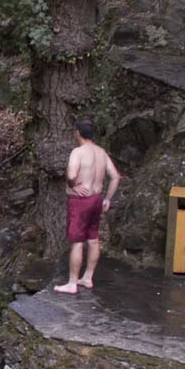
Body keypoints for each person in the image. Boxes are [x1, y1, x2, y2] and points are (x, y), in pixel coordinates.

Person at [55, 117, 120, 294]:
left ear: (78, 132)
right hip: (97, 199)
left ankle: (72, 283)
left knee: (77, 242)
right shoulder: (101, 152)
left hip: (80, 202)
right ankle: (87, 277)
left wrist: (74, 185)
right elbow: (115, 177)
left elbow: (71, 175)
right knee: (93, 239)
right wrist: (108, 199)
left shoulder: (78, 152)